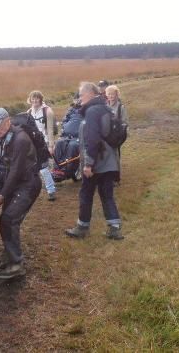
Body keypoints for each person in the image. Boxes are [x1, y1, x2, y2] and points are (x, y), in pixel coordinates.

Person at [0, 108, 42, 279]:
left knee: (9, 219)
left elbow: (15, 171)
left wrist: (1, 196)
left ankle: (17, 264)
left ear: (8, 121)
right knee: (6, 219)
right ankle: (10, 255)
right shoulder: (1, 138)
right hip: (15, 184)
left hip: (28, 184)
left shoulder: (21, 140)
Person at [65, 82, 123, 241]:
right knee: (107, 194)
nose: (79, 98)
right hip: (109, 160)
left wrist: (89, 164)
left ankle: (82, 228)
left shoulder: (92, 111)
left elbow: (93, 140)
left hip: (97, 163)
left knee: (86, 194)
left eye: (81, 95)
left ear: (90, 93)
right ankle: (115, 228)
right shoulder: (104, 107)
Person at [26, 90, 57, 201]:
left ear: (40, 99)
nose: (35, 100)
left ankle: (51, 191)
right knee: (31, 168)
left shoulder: (47, 111)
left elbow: (50, 129)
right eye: (33, 98)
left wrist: (51, 145)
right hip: (32, 144)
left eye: (37, 98)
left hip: (44, 142)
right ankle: (32, 190)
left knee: (43, 168)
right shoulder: (29, 112)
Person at [55, 92, 83, 180]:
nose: (78, 100)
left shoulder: (87, 109)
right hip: (67, 135)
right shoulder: (70, 110)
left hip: (80, 137)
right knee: (59, 143)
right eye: (76, 99)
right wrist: (63, 131)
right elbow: (64, 121)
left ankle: (68, 171)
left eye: (80, 98)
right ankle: (57, 169)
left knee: (72, 146)